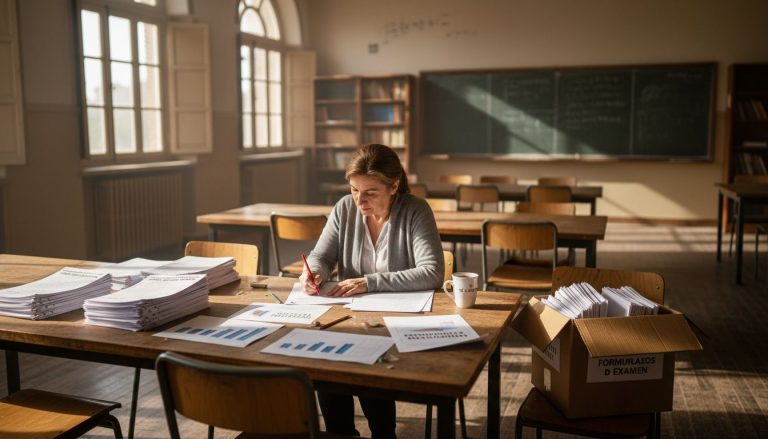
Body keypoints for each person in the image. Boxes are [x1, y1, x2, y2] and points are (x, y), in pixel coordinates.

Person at [300, 143, 444, 438]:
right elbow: (322, 256)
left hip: (399, 319)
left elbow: (432, 273)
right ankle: (342, 433)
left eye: (370, 192)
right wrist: (315, 272)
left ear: (394, 186)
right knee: (326, 362)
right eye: (354, 190)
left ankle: (383, 433)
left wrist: (369, 281)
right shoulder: (344, 208)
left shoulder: (416, 210)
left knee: (369, 359)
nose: (359, 201)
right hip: (353, 315)